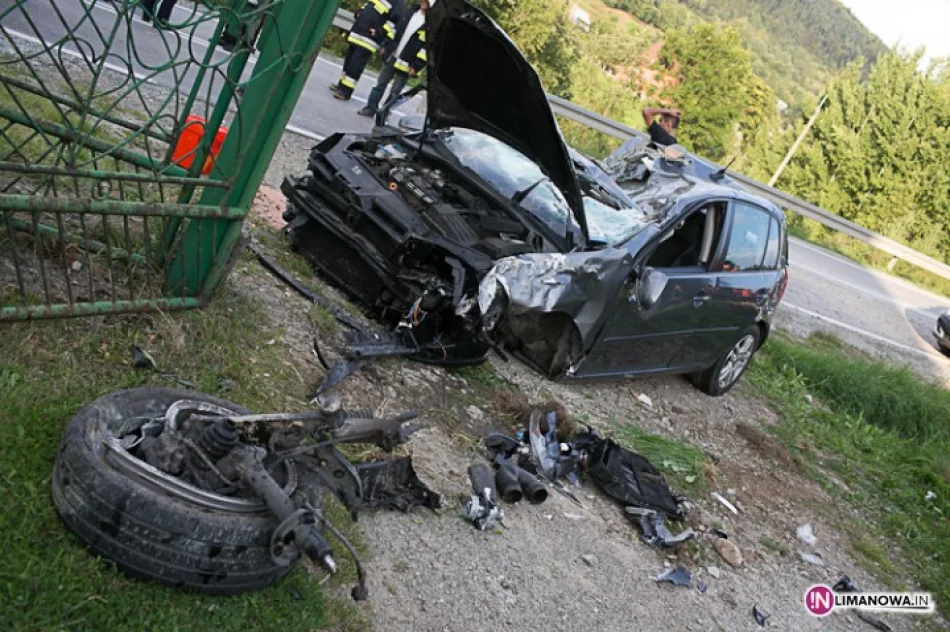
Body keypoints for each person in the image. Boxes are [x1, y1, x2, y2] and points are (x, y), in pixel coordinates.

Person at [357, 0, 431, 117]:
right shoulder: (410, 12)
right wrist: (386, 45)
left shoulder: (431, 24)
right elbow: (395, 30)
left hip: (407, 63)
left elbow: (426, 49)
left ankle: (384, 114)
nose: (423, 2)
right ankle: (370, 108)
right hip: (393, 54)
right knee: (381, 83)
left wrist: (416, 66)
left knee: (395, 91)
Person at [331, 0, 406, 101]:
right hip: (358, 32)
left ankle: (346, 91)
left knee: (356, 65)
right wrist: (359, 13)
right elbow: (367, 6)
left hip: (369, 39)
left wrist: (379, 32)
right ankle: (341, 85)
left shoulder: (398, 2)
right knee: (349, 61)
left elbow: (394, 23)